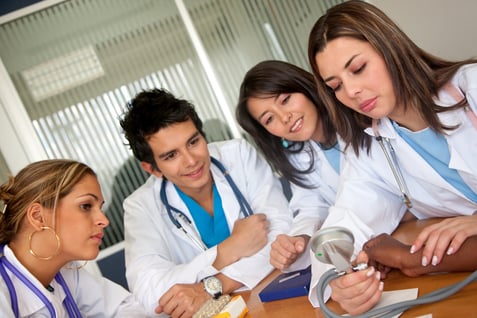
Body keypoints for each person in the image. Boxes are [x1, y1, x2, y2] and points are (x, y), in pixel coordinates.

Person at [307, 0, 477, 314]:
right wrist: (335, 281)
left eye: (358, 69)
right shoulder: (370, 147)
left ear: (390, 48)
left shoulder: (472, 87)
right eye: (336, 86)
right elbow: (345, 223)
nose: (352, 91)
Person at [120, 88, 291, 317]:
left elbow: (282, 236)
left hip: (274, 299)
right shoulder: (140, 207)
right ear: (152, 169)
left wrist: (211, 287)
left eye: (193, 142)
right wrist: (229, 249)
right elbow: (150, 293)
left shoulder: (239, 155)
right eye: (171, 156)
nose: (191, 161)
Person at [0, 159, 150, 317]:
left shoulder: (67, 271)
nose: (104, 221)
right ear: (38, 217)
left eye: (99, 207)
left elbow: (125, 308)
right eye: (86, 206)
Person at [236, 60, 347, 272]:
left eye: (285, 100)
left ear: (303, 87)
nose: (285, 117)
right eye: (269, 119)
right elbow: (311, 205)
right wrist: (298, 239)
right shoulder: (298, 155)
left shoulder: (357, 120)